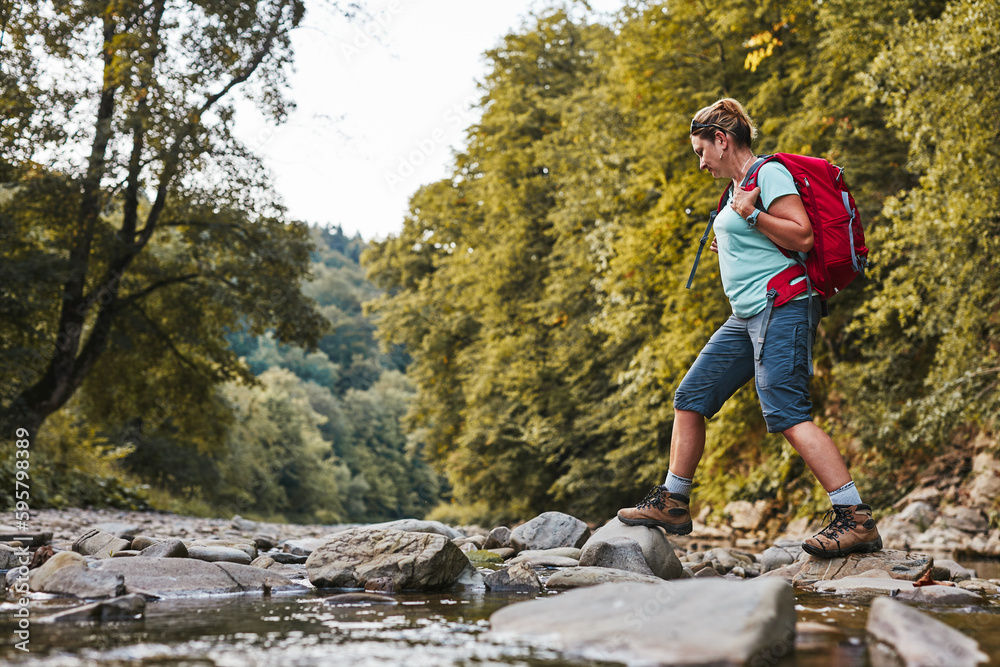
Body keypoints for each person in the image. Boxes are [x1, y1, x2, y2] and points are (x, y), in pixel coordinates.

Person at [616, 98, 881, 558]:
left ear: (722, 140)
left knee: (788, 413)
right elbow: (758, 235)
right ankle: (673, 502)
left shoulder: (769, 175)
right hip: (747, 316)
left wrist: (750, 216)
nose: (700, 163)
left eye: (702, 151)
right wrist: (736, 237)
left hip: (784, 306)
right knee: (691, 397)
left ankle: (855, 518)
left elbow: (801, 236)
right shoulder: (739, 187)